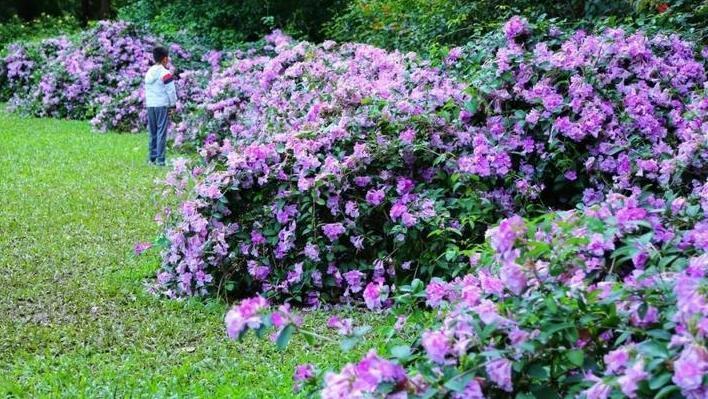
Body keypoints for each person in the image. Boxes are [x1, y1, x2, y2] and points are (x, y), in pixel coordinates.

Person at [144, 46, 176, 166]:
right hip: (161, 105)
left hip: (150, 105)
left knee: (152, 132)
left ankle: (152, 159)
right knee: (161, 132)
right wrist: (173, 105)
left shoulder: (149, 72)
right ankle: (161, 160)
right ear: (165, 59)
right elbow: (171, 91)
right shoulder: (165, 73)